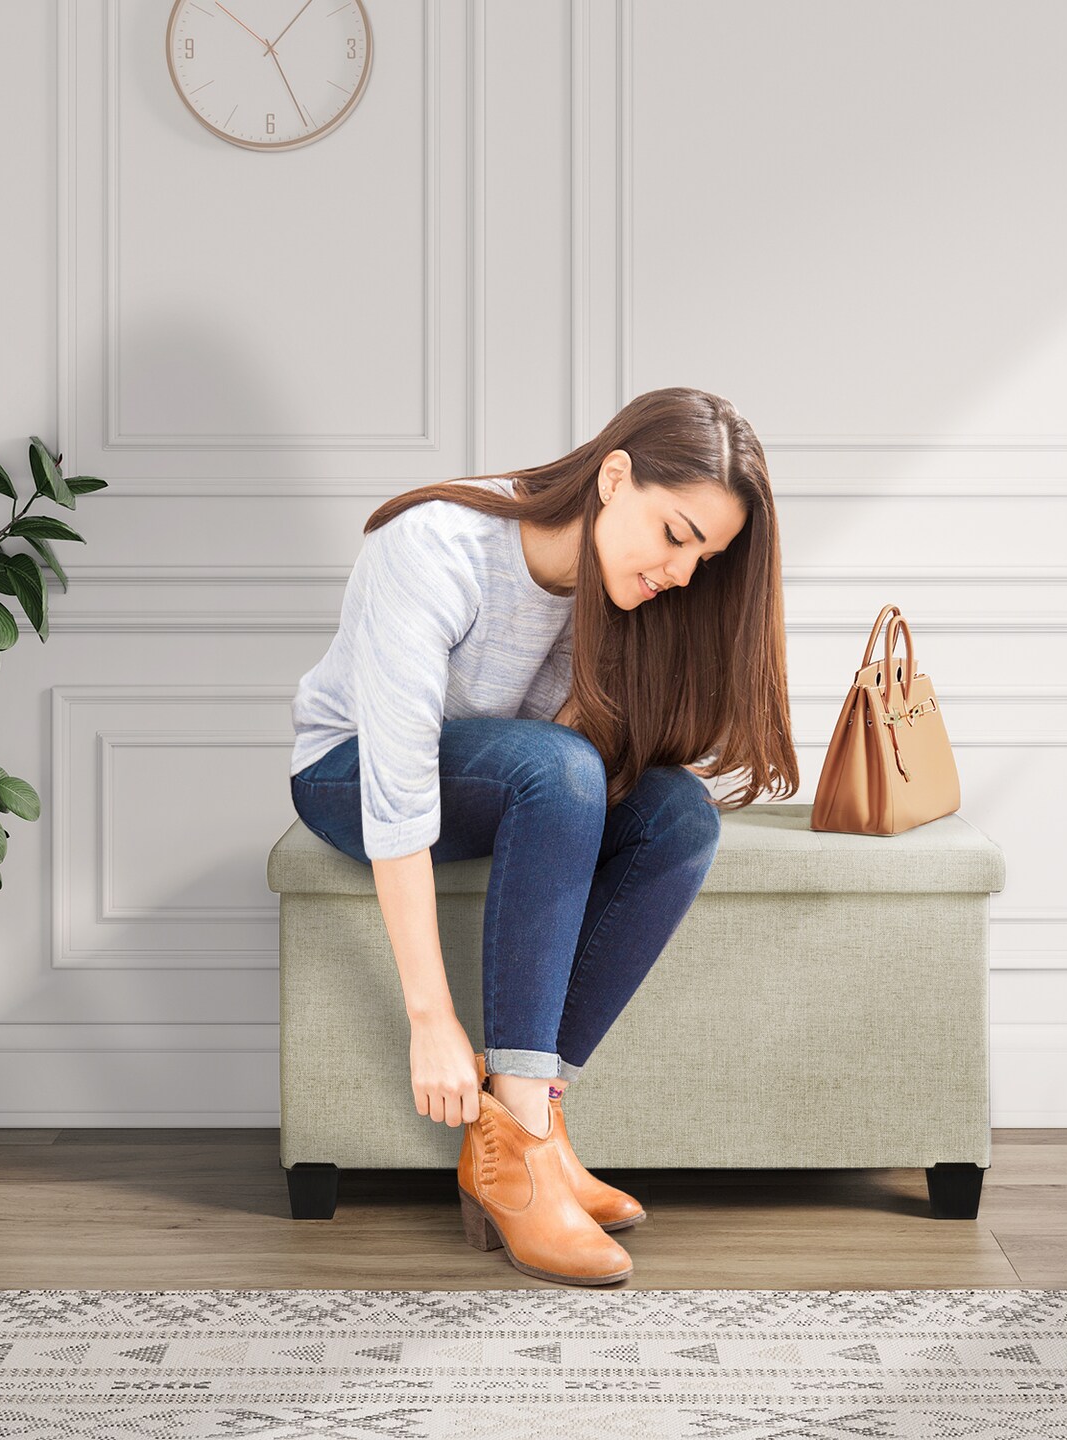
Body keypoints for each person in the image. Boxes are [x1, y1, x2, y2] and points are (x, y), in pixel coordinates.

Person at [288, 386, 799, 1285]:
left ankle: (528, 1128)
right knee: (559, 768)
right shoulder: (437, 546)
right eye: (676, 534)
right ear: (613, 477)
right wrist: (432, 1018)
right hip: (350, 769)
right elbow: (400, 784)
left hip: (503, 779)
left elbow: (590, 774)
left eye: (705, 557)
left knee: (678, 813)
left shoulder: (619, 597)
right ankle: (523, 1149)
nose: (683, 572)